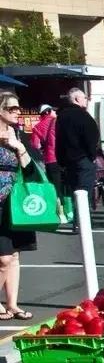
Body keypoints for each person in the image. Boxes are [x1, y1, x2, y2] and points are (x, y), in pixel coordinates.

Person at [0, 92, 41, 321]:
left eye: (18, 107)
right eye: (12, 108)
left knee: (14, 256)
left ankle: (12, 304)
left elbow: (30, 170)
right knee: (3, 259)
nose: (17, 112)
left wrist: (19, 147)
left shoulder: (16, 134)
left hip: (15, 202)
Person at [55, 87, 100, 228]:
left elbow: (58, 140)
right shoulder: (83, 116)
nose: (87, 100)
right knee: (84, 191)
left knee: (75, 191)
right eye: (84, 97)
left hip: (68, 161)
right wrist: (92, 155)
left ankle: (77, 220)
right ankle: (83, 221)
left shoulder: (61, 117)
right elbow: (91, 137)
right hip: (83, 159)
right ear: (76, 99)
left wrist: (61, 160)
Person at [29, 104, 64, 223]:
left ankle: (59, 212)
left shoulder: (37, 127)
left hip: (50, 159)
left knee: (55, 186)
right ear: (48, 112)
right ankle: (73, 209)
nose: (55, 112)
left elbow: (35, 145)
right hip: (64, 158)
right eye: (53, 110)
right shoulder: (58, 121)